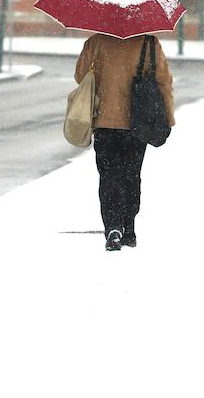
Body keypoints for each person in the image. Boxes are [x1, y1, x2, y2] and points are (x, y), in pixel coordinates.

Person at [75, 34, 176, 251]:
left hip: (105, 121)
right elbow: (163, 81)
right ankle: (128, 227)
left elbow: (80, 75)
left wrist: (100, 68)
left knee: (109, 176)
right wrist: (168, 116)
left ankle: (112, 227)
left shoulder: (97, 41)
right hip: (137, 122)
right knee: (131, 175)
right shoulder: (149, 43)